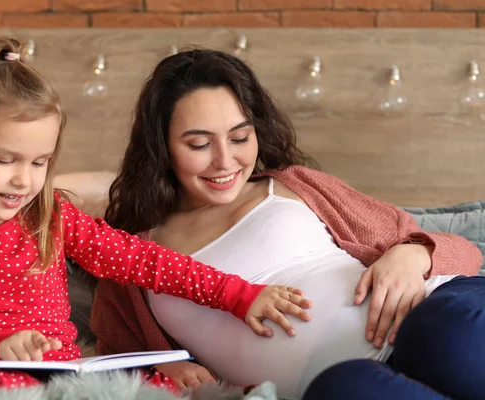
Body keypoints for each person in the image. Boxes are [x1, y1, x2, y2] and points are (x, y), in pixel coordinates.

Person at [0, 38, 313, 397]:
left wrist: (239, 296)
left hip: (67, 377)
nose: (24, 180)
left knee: (171, 389)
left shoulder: (51, 216)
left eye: (40, 162)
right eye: (5, 160)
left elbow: (147, 261)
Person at [85, 49, 485, 399]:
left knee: (436, 335)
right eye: (200, 145)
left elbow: (464, 251)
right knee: (342, 387)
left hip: (436, 312)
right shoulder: (128, 256)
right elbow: (113, 360)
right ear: (162, 148)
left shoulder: (294, 185)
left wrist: (412, 254)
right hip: (346, 382)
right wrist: (163, 368)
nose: (225, 162)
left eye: (240, 138)